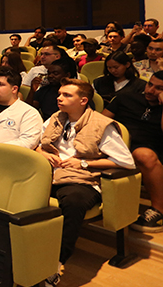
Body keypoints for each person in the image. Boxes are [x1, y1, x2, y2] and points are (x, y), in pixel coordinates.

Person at [36, 79, 134, 287]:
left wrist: (83, 163)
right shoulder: (56, 118)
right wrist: (43, 153)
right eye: (60, 93)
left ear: (83, 100)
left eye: (66, 95)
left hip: (81, 179)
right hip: (49, 173)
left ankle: (56, 262)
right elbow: (36, 145)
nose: (59, 97)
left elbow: (125, 161)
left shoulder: (101, 124)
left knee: (73, 201)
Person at [103, 71, 163, 232]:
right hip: (119, 145)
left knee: (143, 154)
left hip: (154, 149)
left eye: (159, 88)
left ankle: (159, 209)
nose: (150, 91)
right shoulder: (126, 98)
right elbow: (101, 122)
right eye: (150, 84)